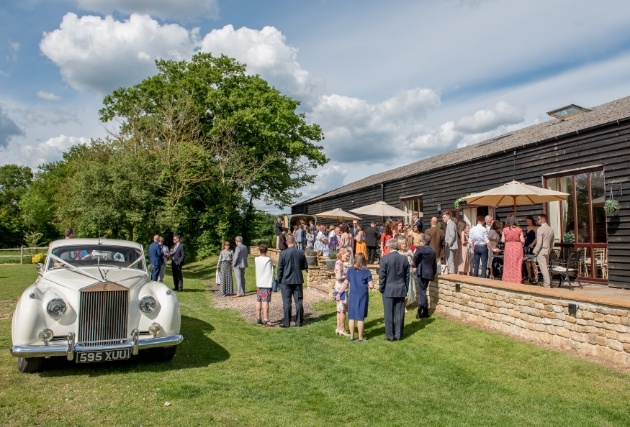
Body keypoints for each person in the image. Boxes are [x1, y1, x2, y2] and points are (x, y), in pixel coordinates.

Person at [378, 238, 410, 341]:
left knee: (388, 313)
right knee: (400, 313)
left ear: (389, 247)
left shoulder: (384, 259)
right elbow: (407, 276)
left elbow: (382, 276)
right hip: (400, 288)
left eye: (386, 247)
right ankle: (398, 335)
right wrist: (406, 288)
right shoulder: (404, 259)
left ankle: (390, 336)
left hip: (388, 289)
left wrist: (381, 288)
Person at [337, 254, 373, 342]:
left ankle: (352, 337)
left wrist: (339, 293)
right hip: (362, 295)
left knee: (351, 316)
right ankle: (360, 338)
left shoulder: (350, 270)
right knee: (360, 317)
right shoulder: (366, 271)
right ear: (364, 260)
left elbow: (345, 283)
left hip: (352, 295)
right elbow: (371, 286)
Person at [276, 235, 308, 327]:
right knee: (298, 302)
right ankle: (299, 322)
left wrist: (279, 280)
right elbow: (305, 266)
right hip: (297, 279)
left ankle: (286, 323)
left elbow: (280, 268)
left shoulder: (283, 253)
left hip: (285, 280)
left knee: (287, 302)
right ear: (295, 242)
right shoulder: (301, 252)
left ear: (287, 243)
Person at [413, 233, 437, 319]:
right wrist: (433, 273)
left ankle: (420, 310)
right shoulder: (432, 250)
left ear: (423, 241)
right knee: (423, 291)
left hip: (421, 272)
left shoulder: (421, 249)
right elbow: (434, 264)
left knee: (422, 291)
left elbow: (415, 256)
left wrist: (415, 265)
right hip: (429, 273)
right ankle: (425, 311)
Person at [502, 216, 525, 284]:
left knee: (508, 263)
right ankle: (517, 279)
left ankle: (507, 278)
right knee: (517, 263)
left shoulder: (505, 230)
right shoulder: (519, 229)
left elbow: (502, 240)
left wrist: (508, 241)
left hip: (508, 247)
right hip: (517, 247)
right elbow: (522, 240)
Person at [255, 244, 274, 326]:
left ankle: (258, 317)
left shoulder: (256, 259)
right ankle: (266, 319)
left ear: (259, 251)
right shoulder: (268, 260)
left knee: (258, 300)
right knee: (265, 302)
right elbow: (270, 270)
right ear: (266, 251)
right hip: (266, 284)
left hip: (259, 283)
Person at [533, 213, 555, 288]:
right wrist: (549, 249)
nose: (537, 220)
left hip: (541, 251)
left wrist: (535, 252)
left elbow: (539, 243)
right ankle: (550, 283)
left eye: (538, 219)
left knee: (543, 268)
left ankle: (547, 284)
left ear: (543, 219)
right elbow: (552, 242)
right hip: (547, 250)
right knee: (547, 267)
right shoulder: (551, 229)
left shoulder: (540, 229)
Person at [333, 248, 351, 336]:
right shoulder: (339, 263)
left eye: (349, 256)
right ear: (341, 254)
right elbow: (339, 276)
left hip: (339, 287)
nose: (348, 257)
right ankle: (342, 329)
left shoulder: (340, 263)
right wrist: (348, 274)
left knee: (339, 309)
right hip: (341, 288)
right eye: (346, 256)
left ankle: (338, 328)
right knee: (343, 309)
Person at [397, 237, 416, 310]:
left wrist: (411, 255)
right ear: (399, 245)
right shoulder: (398, 253)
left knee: (409, 290)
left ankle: (405, 306)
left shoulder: (410, 251)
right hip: (401, 274)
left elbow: (414, 262)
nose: (404, 245)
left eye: (405, 243)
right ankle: (401, 305)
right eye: (402, 244)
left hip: (410, 273)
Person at [524, 215, 539, 284]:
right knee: (527, 261)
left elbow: (536, 238)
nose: (528, 222)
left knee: (533, 262)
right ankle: (529, 276)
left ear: (532, 220)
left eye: (529, 221)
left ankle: (536, 276)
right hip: (526, 245)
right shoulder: (527, 227)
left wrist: (532, 244)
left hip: (532, 246)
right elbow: (526, 236)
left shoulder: (535, 228)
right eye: (527, 221)